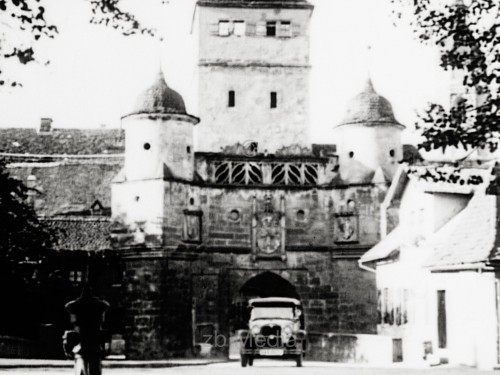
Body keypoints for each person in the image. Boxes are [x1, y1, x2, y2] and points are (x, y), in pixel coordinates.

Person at [64, 284, 109, 375]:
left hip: (84, 343)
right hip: (94, 344)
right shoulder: (100, 306)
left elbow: (68, 307)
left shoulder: (74, 306)